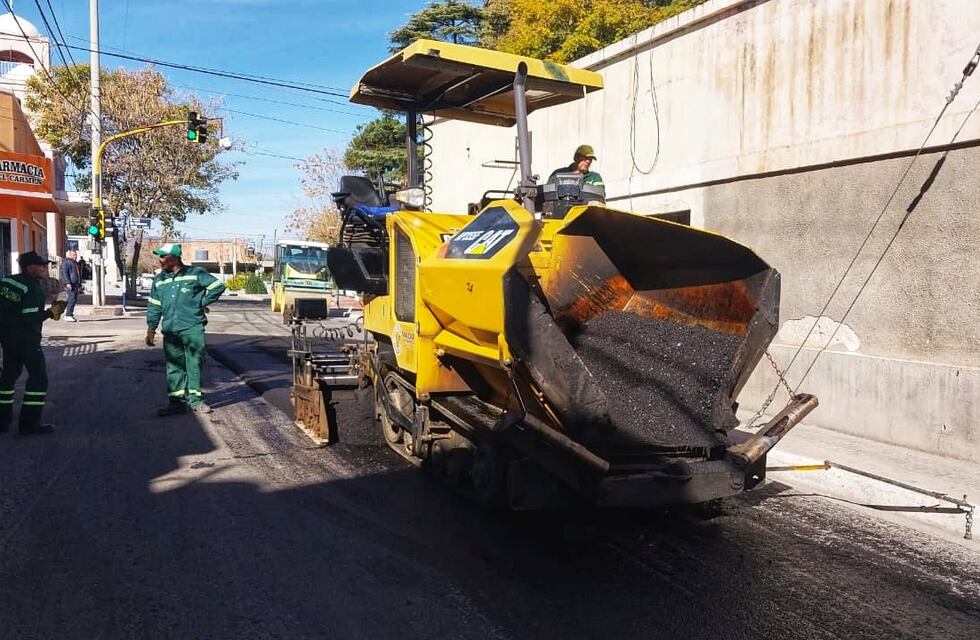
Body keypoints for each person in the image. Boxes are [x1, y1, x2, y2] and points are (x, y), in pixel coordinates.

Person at [145, 243, 226, 416]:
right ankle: (176, 403)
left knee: (194, 363)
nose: (160, 260)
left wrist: (201, 302)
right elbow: (154, 305)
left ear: (174, 258)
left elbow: (217, 286)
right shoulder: (159, 280)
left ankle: (196, 401)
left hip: (192, 327)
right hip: (170, 330)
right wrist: (151, 328)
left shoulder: (195, 274)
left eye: (163, 256)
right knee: (174, 366)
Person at [0, 252, 68, 435]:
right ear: (30, 267)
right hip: (26, 339)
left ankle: (2, 420)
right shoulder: (32, 287)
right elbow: (30, 317)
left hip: (7, 338)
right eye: (41, 265)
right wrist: (52, 311)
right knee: (38, 379)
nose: (45, 268)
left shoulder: (6, 282)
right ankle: (29, 423)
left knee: (8, 377)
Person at [59, 250, 81, 322]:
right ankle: (68, 315)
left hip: (74, 284)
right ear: (70, 255)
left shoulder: (73, 263)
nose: (76, 256)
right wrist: (67, 282)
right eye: (74, 255)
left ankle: (69, 314)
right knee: (72, 299)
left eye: (76, 255)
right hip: (70, 284)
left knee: (73, 299)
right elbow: (65, 273)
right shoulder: (66, 263)